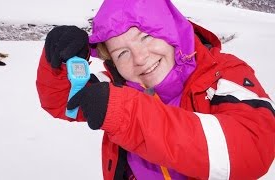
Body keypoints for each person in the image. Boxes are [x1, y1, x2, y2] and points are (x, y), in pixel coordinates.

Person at [36, 0, 275, 179]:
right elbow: (63, 102)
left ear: (172, 30)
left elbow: (254, 146)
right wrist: (57, 65)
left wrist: (129, 116)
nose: (140, 58)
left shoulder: (222, 73)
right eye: (122, 53)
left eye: (147, 36)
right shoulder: (120, 85)